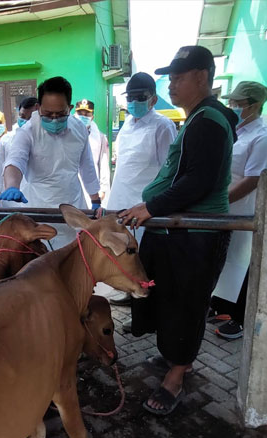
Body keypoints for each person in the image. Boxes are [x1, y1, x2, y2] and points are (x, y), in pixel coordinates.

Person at [118, 46, 237, 415]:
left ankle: (177, 376)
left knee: (186, 304)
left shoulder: (208, 121)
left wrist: (150, 207)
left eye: (178, 77)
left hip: (194, 236)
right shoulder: (198, 118)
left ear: (201, 76)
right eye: (169, 78)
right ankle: (174, 357)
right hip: (172, 232)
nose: (171, 85)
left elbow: (198, 181)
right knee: (163, 297)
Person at [209, 81, 267, 340]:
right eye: (232, 102)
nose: (233, 107)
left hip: (242, 206)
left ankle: (239, 318)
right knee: (222, 257)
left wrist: (220, 202)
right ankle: (220, 306)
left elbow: (252, 180)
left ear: (255, 105)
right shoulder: (237, 130)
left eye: (238, 104)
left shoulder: (264, 138)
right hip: (224, 204)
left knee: (240, 259)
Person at [0, 76, 101, 247]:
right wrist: (12, 186)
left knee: (72, 260)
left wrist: (96, 200)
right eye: (47, 114)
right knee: (39, 261)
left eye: (60, 114)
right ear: (38, 108)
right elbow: (15, 162)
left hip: (72, 206)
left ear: (69, 108)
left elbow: (87, 167)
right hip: (38, 208)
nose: (54, 119)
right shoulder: (28, 131)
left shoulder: (80, 130)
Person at [106, 73, 177, 308]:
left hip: (144, 203)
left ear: (153, 99)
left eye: (140, 97)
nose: (134, 102)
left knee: (145, 257)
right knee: (124, 251)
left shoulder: (162, 126)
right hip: (121, 197)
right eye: (131, 98)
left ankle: (146, 308)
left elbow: (169, 170)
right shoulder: (127, 125)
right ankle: (129, 293)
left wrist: (155, 204)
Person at [0, 97, 39, 204]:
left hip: (35, 197)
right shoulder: (6, 139)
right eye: (22, 116)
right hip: (10, 196)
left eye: (30, 118)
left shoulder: (43, 138)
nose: (25, 121)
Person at [74, 99, 110, 206]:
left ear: (92, 117)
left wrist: (103, 188)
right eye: (80, 113)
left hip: (91, 186)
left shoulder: (100, 137)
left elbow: (103, 163)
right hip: (71, 184)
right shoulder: (66, 133)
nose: (83, 116)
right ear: (74, 114)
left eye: (87, 114)